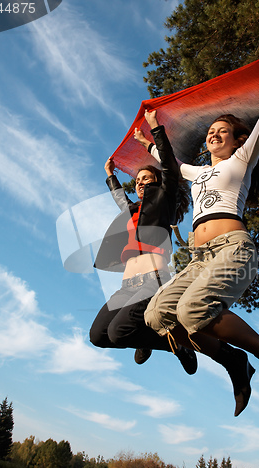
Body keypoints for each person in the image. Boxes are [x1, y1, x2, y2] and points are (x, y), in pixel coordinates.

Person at [141, 39, 259, 416]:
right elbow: (170, 163)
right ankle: (235, 363)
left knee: (190, 313)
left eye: (223, 131)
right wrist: (150, 138)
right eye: (211, 132)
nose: (214, 134)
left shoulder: (240, 161)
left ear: (236, 139)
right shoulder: (199, 171)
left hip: (233, 248)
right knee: (156, 316)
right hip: (199, 259)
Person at [89, 110, 197, 375]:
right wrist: (111, 176)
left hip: (153, 280)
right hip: (127, 285)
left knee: (118, 332)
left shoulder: (164, 201)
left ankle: (179, 346)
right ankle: (145, 335)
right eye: (137, 180)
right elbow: (121, 201)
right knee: (99, 336)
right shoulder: (135, 212)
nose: (139, 183)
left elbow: (171, 167)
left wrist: (154, 129)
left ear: (158, 181)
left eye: (145, 178)